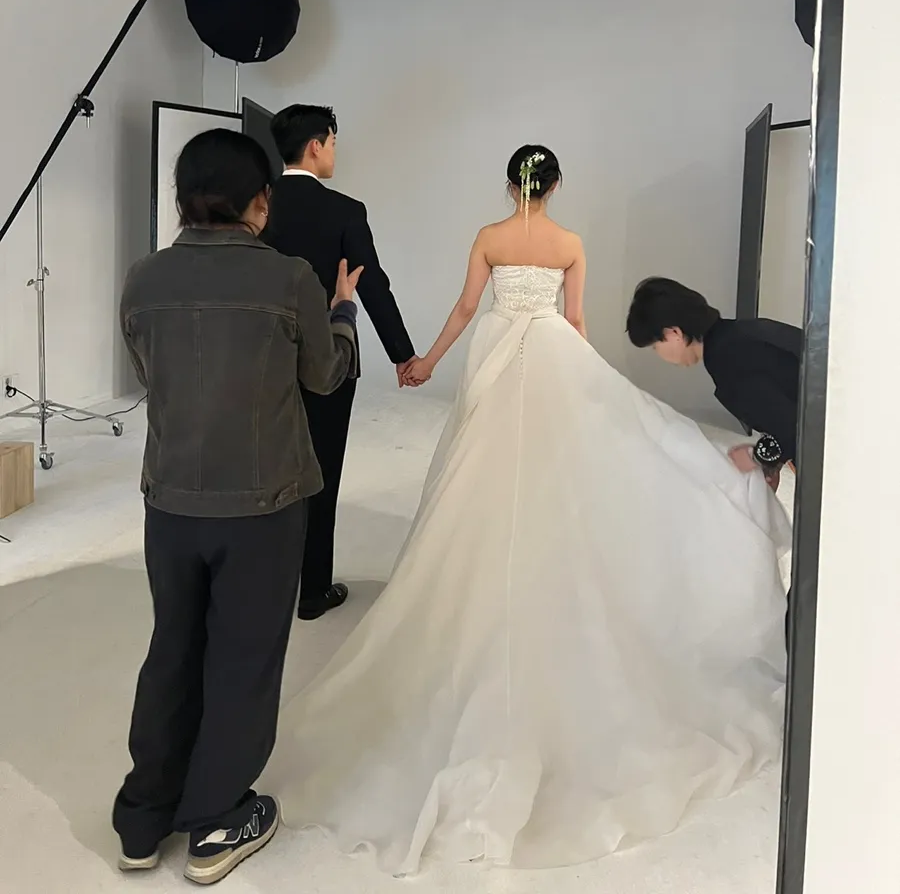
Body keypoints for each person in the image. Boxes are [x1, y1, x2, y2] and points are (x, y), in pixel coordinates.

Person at [271, 147, 789, 874]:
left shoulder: (489, 236)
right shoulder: (569, 242)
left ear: (508, 183)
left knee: (477, 475)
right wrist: (589, 389)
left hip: (495, 355)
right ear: (554, 186)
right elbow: (574, 322)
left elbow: (465, 308)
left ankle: (473, 587)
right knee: (550, 475)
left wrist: (425, 361)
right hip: (548, 359)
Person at [113, 129, 361, 886]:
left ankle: (142, 820)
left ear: (182, 198)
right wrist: (342, 313)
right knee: (243, 658)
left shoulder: (144, 278)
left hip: (171, 503)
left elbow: (149, 373)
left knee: (173, 647)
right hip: (264, 503)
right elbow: (324, 377)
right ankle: (218, 818)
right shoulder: (288, 278)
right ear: (260, 200)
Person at [263, 104, 417, 621]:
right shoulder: (346, 210)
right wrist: (403, 354)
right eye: (332, 142)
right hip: (327, 358)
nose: (334, 152)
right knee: (320, 472)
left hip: (261, 360)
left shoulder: (256, 204)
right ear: (316, 145)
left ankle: (264, 583)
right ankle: (313, 591)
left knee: (264, 467)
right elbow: (371, 285)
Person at [624, 277, 802, 490]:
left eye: (655, 347)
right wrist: (772, 460)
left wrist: (755, 457)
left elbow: (794, 429)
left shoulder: (727, 363)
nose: (659, 355)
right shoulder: (742, 333)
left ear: (673, 333)